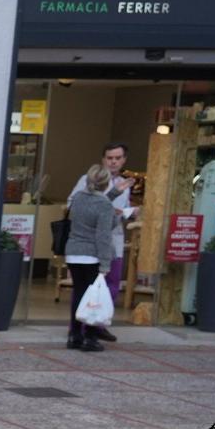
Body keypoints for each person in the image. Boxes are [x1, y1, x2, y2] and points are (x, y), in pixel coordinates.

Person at [72, 142, 132, 343]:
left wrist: (126, 213)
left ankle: (99, 324)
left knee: (112, 284)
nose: (113, 162)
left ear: (124, 160)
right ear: (103, 159)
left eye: (117, 158)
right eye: (110, 158)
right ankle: (83, 328)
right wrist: (108, 208)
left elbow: (117, 209)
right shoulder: (87, 179)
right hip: (91, 243)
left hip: (113, 239)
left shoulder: (124, 184)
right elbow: (78, 203)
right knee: (86, 288)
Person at [65, 165, 118, 353]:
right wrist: (105, 262)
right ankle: (91, 337)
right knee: (93, 297)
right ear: (105, 184)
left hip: (73, 251)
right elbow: (103, 235)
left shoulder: (77, 198)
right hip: (92, 254)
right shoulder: (103, 205)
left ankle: (74, 335)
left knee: (78, 293)